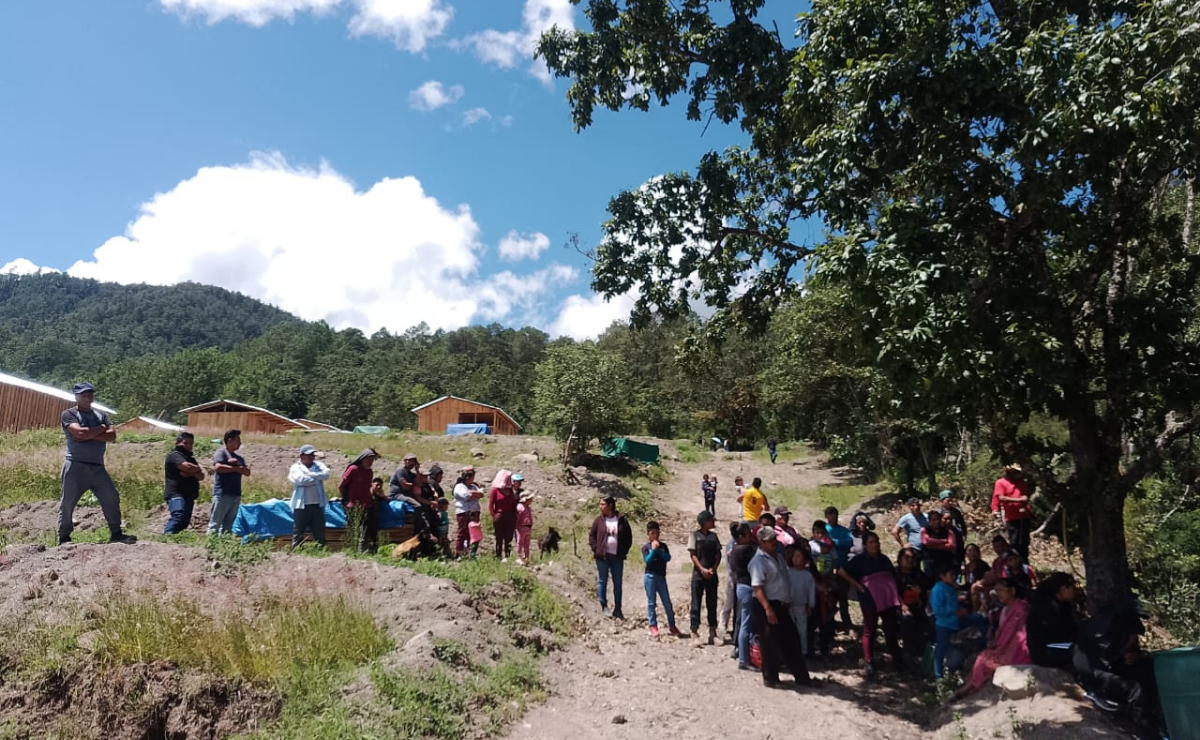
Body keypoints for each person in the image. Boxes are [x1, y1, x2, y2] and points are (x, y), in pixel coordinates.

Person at [57, 382, 136, 545]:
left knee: (111, 496)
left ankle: (116, 533)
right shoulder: (69, 414)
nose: (88, 397)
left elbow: (112, 436)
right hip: (75, 464)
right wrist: (100, 429)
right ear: (76, 396)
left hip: (98, 466)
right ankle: (64, 537)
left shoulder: (101, 416)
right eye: (84, 394)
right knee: (68, 501)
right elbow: (78, 432)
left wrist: (88, 434)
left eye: (90, 394)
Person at [1072, 598, 1163, 735]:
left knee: (1148, 669)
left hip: (1108, 667)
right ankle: (1148, 733)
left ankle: (1158, 719)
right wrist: (1126, 646)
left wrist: (1133, 655)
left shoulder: (1121, 623)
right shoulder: (1104, 628)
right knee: (1135, 690)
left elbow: (1122, 654)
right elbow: (1104, 658)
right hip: (1093, 673)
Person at [750, 526, 814, 688]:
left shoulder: (778, 557)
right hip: (767, 604)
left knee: (791, 639)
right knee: (770, 642)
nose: (773, 542)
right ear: (761, 542)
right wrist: (767, 608)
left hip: (782, 604)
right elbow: (757, 587)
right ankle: (770, 678)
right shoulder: (758, 561)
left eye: (774, 539)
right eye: (769, 540)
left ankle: (802, 677)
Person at [953, 577, 1031, 699]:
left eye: (1001, 590)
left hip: (1017, 648)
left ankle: (969, 688)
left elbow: (1017, 634)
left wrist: (998, 644)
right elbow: (1002, 630)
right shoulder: (1005, 609)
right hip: (1004, 645)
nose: (998, 594)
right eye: (996, 591)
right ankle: (969, 686)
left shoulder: (1021, 608)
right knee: (982, 656)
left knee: (984, 659)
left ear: (1012, 591)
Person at [840, 532, 903, 677]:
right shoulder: (859, 560)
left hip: (888, 599)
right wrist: (857, 585)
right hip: (869, 599)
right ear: (865, 545)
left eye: (877, 542)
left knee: (891, 630)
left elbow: (892, 576)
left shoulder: (884, 559)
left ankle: (897, 660)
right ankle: (869, 661)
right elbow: (842, 571)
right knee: (870, 629)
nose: (875, 545)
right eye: (871, 542)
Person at [931, 566, 988, 679]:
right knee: (941, 650)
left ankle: (986, 645)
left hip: (957, 621)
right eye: (951, 575)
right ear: (942, 576)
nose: (954, 578)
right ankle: (938, 676)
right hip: (945, 625)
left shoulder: (951, 588)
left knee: (980, 618)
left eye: (955, 575)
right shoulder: (937, 590)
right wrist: (956, 612)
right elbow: (937, 610)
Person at [588, 496, 632, 619]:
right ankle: (604, 606)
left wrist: (624, 551)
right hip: (602, 557)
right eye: (600, 504)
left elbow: (628, 537)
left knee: (617, 583)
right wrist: (596, 549)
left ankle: (618, 608)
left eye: (603, 504)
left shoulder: (621, 520)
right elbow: (592, 536)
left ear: (610, 505)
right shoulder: (598, 521)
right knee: (602, 581)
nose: (601, 507)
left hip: (617, 557)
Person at [1026, 572, 1079, 670]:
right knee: (1079, 650)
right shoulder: (1048, 607)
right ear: (1063, 590)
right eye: (1072, 588)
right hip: (1045, 649)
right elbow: (1059, 632)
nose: (1074, 592)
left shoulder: (1062, 605)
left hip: (1056, 644)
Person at [642, 521, 682, 638]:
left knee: (667, 602)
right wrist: (653, 550)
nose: (655, 535)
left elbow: (667, 558)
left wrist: (659, 550)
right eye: (652, 533)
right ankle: (653, 625)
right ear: (648, 534)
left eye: (657, 533)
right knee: (651, 602)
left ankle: (672, 625)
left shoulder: (663, 546)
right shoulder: (646, 547)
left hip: (661, 578)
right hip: (650, 577)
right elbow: (647, 560)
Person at [688, 510, 723, 645]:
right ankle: (694, 631)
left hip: (711, 574)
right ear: (704, 522)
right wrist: (702, 569)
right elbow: (693, 555)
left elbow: (718, 555)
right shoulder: (694, 536)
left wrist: (713, 569)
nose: (713, 522)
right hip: (698, 575)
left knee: (712, 603)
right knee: (696, 603)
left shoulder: (714, 537)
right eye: (710, 520)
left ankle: (712, 632)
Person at [208, 429, 250, 536]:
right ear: (230, 441)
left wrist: (239, 467)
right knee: (215, 523)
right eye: (238, 440)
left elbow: (247, 472)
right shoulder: (221, 453)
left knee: (229, 524)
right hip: (222, 493)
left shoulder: (239, 458)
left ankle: (224, 544)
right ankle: (210, 545)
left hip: (235, 494)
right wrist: (236, 468)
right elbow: (218, 467)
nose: (240, 443)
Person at [288, 444, 331, 549]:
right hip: (301, 506)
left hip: (317, 505)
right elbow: (300, 480)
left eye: (313, 455)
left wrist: (310, 475)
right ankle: (296, 552)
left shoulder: (319, 465)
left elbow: (326, 474)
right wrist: (317, 478)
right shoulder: (295, 467)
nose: (312, 457)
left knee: (319, 532)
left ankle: (321, 552)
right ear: (302, 456)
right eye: (309, 455)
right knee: (298, 532)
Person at [163, 431, 205, 535]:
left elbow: (201, 476)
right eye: (186, 443)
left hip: (189, 495)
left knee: (184, 522)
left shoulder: (191, 459)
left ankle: (175, 541)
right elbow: (186, 466)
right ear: (177, 443)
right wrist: (195, 470)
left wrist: (191, 472)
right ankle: (167, 538)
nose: (189, 446)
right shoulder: (174, 456)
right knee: (178, 515)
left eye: (191, 443)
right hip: (176, 493)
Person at [895, 546, 933, 662]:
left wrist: (928, 605)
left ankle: (923, 652)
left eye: (912, 558)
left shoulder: (918, 574)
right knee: (906, 620)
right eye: (906, 558)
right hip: (900, 607)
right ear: (900, 559)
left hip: (920, 607)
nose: (910, 561)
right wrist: (903, 606)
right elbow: (893, 593)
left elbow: (928, 590)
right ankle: (907, 652)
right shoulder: (895, 574)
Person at [339, 448, 380, 551]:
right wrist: (346, 500)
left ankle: (370, 552)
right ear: (362, 459)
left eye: (372, 461)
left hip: (367, 505)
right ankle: (352, 551)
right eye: (368, 460)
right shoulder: (353, 469)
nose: (370, 463)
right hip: (354, 506)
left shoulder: (369, 472)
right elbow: (342, 486)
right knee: (354, 531)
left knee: (370, 531)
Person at [992, 463, 1034, 561]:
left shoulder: (1021, 482)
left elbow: (1025, 496)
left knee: (1024, 542)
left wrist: (1022, 501)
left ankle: (1024, 563)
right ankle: (1013, 562)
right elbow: (1000, 498)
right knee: (1014, 542)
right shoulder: (1000, 482)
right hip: (1011, 517)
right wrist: (1019, 500)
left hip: (1024, 516)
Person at [728, 522, 756, 668]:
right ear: (741, 536)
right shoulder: (744, 550)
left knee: (746, 622)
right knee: (746, 623)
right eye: (747, 535)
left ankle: (746, 655)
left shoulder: (735, 549)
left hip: (741, 586)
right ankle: (744, 659)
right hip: (746, 587)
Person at [824, 507, 856, 630]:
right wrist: (837, 543)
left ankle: (846, 622)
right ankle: (830, 623)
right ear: (826, 516)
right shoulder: (825, 530)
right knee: (830, 597)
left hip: (843, 566)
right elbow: (825, 543)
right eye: (831, 514)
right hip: (829, 568)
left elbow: (849, 542)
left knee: (843, 597)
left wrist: (835, 543)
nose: (834, 517)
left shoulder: (843, 530)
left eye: (835, 514)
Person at [786, 545, 817, 655]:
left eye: (798, 557)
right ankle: (790, 652)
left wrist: (810, 605)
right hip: (789, 606)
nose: (795, 558)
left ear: (805, 560)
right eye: (794, 556)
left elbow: (811, 591)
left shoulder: (808, 576)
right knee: (790, 630)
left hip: (802, 607)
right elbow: (785, 587)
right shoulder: (788, 573)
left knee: (802, 631)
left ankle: (802, 652)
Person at [452, 467, 484, 557]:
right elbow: (466, 496)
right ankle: (459, 553)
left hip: (474, 512)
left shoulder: (473, 486)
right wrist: (475, 494)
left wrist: (472, 492)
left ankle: (470, 552)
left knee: (473, 533)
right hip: (463, 512)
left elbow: (481, 494)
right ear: (467, 477)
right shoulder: (459, 487)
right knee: (462, 533)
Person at [488, 469, 518, 561]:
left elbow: (513, 504)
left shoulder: (510, 490)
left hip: (509, 517)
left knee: (508, 538)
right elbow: (490, 505)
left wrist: (514, 516)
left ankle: (507, 556)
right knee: (499, 538)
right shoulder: (495, 490)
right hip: (499, 516)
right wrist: (494, 516)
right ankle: (498, 556)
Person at [920, 509, 959, 577]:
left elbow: (952, 546)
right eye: (934, 520)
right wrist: (943, 541)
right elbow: (926, 541)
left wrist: (933, 545)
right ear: (929, 521)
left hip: (945, 562)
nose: (937, 521)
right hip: (930, 562)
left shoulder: (948, 531)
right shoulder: (924, 530)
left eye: (938, 519)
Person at [937, 489, 967, 563]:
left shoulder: (956, 512)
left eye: (951, 500)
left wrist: (964, 535)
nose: (950, 503)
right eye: (948, 501)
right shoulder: (937, 513)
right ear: (942, 501)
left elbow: (962, 524)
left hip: (957, 538)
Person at [515, 490, 535, 564]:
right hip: (521, 527)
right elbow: (517, 517)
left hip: (528, 527)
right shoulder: (520, 507)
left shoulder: (527, 507)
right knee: (520, 542)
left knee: (527, 543)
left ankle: (526, 557)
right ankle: (519, 557)